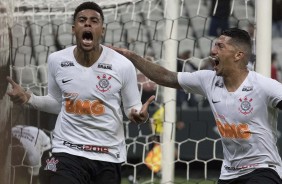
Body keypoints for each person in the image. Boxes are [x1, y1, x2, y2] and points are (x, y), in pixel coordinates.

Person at [6, 2, 154, 184]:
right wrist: (29, 98)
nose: (88, 24)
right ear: (74, 28)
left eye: (94, 21)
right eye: (82, 20)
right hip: (67, 150)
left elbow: (132, 106)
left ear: (103, 30)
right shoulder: (57, 60)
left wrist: (138, 114)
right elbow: (56, 102)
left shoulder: (122, 65)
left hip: (107, 154)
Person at [110, 28, 282, 184]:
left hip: (263, 169)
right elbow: (166, 77)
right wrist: (131, 56)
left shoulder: (263, 86)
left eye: (220, 46)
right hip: (230, 173)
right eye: (214, 45)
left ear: (238, 55)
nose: (213, 51)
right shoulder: (208, 80)